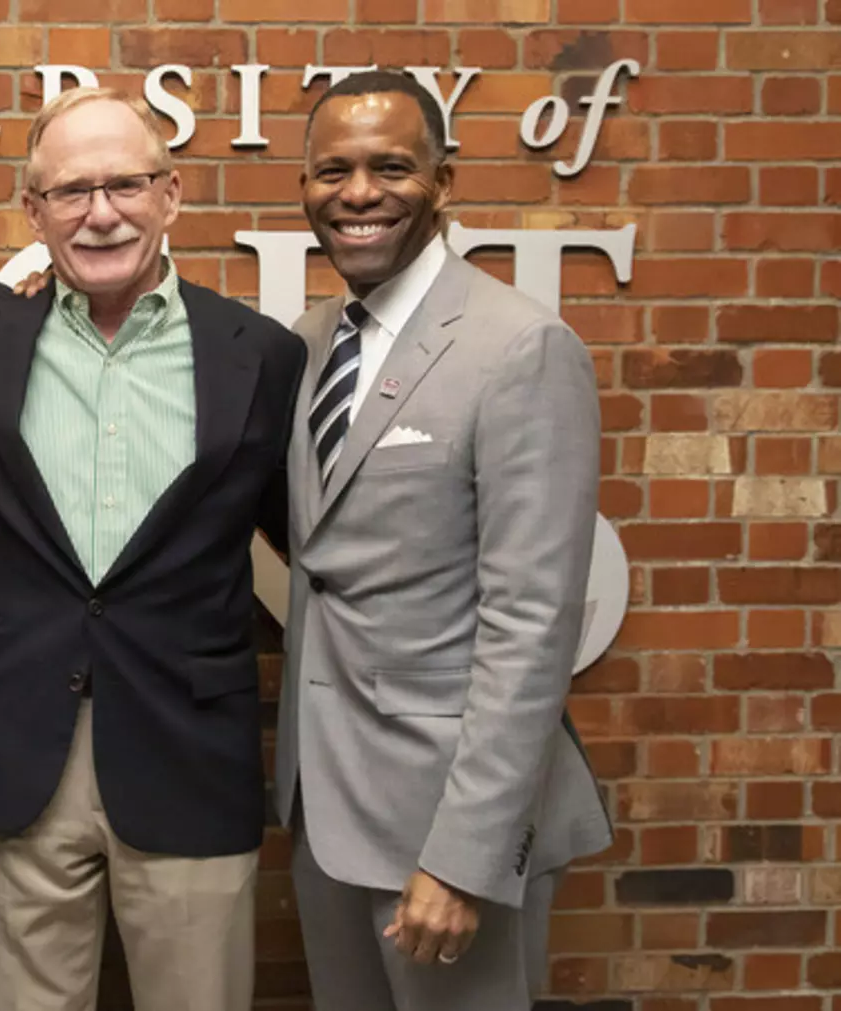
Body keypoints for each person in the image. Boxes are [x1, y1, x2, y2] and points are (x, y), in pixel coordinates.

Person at [0, 88, 301, 1011]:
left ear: (172, 193)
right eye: (71, 191)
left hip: (187, 752)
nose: (101, 211)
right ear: (33, 212)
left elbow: (320, 536)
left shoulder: (261, 356)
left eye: (125, 183)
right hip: (12, 755)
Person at [275, 70, 614, 1011]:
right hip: (324, 812)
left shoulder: (519, 348)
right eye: (331, 170)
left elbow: (533, 621)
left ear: (445, 182)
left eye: (391, 167)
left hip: (445, 831)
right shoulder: (306, 345)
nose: (357, 193)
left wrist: (464, 858)